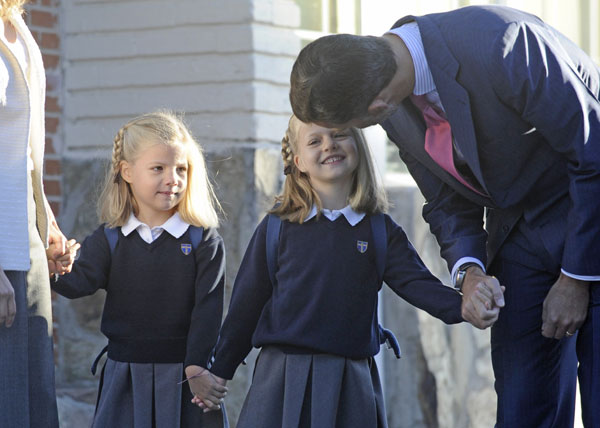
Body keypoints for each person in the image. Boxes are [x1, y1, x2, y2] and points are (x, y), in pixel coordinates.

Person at [289, 4, 600, 428]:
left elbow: (594, 156)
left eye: (350, 126)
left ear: (376, 106)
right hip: (518, 238)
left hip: (591, 219)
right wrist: (469, 272)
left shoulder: (503, 43)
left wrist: (577, 277)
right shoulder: (390, 101)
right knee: (522, 411)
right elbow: (445, 198)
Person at [191, 115, 493, 428]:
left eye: (339, 135)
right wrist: (219, 371)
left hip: (351, 382)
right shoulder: (276, 230)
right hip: (281, 379)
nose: (329, 145)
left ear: (358, 146)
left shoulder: (379, 230)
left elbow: (418, 284)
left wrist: (465, 306)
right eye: (314, 141)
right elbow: (246, 307)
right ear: (299, 161)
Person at [51, 111, 228, 428]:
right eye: (158, 168)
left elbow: (209, 309)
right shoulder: (110, 238)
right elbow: (77, 282)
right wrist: (56, 266)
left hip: (185, 377)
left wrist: (197, 368)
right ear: (127, 172)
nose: (172, 178)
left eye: (181, 169)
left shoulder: (203, 240)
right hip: (126, 374)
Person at [0, 1, 77, 427]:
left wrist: (44, 222)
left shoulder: (17, 25)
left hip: (23, 236)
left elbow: (19, 152)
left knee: (35, 402)